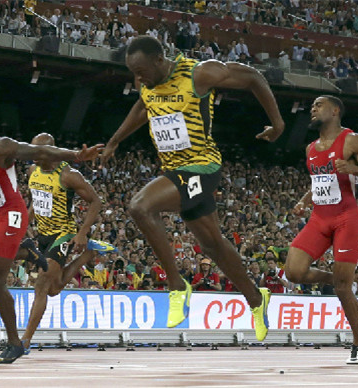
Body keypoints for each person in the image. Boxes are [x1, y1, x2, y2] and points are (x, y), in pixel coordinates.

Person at [100, 36, 284, 341]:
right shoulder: (148, 83)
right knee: (213, 245)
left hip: (202, 166)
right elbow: (142, 107)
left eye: (142, 70)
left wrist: (277, 124)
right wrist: (115, 141)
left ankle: (176, 286)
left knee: (139, 206)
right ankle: (256, 298)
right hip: (175, 170)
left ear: (160, 59)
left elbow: (253, 77)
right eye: (133, 72)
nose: (138, 78)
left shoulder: (199, 73)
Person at [0, 127, 102, 364]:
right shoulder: (30, 170)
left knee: (0, 280)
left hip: (23, 218)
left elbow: (39, 150)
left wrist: (76, 155)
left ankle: (16, 343)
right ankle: (24, 251)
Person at [285, 95, 358, 365]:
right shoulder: (310, 148)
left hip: (346, 218)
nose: (313, 109)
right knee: (293, 272)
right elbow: (320, 182)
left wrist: (353, 168)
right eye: (311, 106)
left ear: (335, 110)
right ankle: (335, 278)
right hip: (319, 218)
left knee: (344, 289)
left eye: (318, 105)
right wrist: (303, 201)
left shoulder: (353, 140)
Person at [20, 133, 114, 354]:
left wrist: (82, 233)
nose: (32, 155)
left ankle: (24, 340)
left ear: (49, 152)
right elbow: (37, 199)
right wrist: (24, 221)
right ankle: (87, 256)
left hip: (63, 234)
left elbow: (96, 202)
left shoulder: (69, 175)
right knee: (53, 289)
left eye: (36, 151)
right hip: (42, 235)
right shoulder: (33, 171)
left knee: (41, 285)